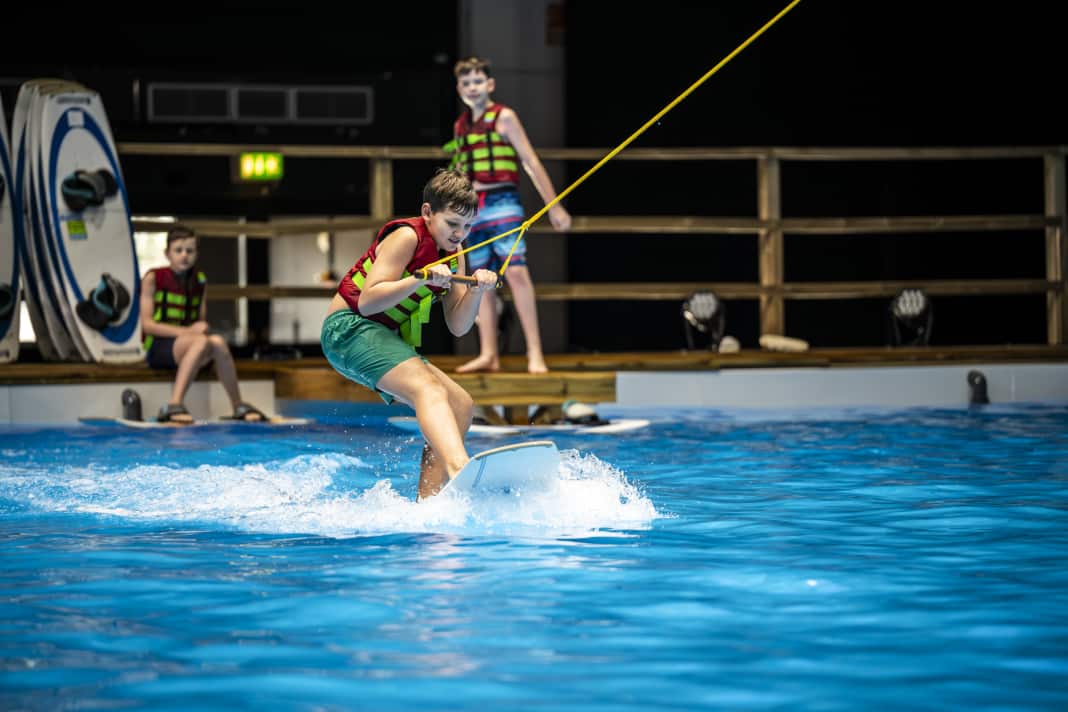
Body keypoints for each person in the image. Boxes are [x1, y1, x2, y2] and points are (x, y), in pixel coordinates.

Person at [320, 169, 498, 500]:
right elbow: (369, 302)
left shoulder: (456, 254)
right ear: (428, 212)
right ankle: (460, 467)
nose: (460, 234)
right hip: (347, 329)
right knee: (428, 388)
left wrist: (476, 292)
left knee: (461, 404)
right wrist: (419, 279)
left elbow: (458, 326)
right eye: (452, 224)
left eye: (467, 226)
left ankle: (428, 501)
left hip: (380, 336)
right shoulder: (406, 237)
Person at [446, 56, 571, 375]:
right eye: (466, 83)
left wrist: (554, 206)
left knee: (516, 271)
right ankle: (489, 353)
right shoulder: (461, 126)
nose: (472, 87)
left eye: (478, 81)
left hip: (503, 202)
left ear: (490, 84)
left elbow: (531, 162)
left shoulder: (505, 117)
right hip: (473, 209)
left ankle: (535, 352)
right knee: (480, 280)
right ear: (459, 88)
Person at [139, 225, 267, 424]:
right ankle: (174, 404)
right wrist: (188, 331)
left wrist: (200, 328)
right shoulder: (153, 278)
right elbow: (147, 325)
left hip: (189, 346)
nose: (184, 255)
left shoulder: (199, 280)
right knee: (200, 341)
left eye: (189, 250)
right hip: (158, 347)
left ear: (196, 254)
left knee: (217, 342)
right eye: (178, 250)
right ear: (167, 253)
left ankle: (237, 404)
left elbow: (200, 321)